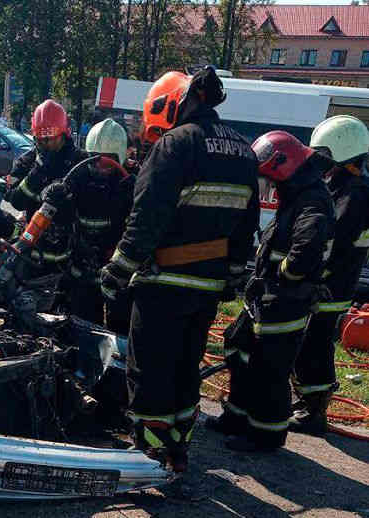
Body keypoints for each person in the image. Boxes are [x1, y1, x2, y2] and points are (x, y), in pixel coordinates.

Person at [99, 67, 259, 472]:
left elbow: (147, 217)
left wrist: (118, 271)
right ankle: (179, 449)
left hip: (163, 282)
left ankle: (150, 454)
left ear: (173, 105)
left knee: (150, 369)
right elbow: (247, 224)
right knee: (187, 368)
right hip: (206, 288)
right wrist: (233, 277)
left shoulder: (175, 144)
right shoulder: (243, 150)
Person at [209, 131, 334, 453]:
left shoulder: (312, 200)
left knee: (270, 370)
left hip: (285, 302)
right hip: (267, 299)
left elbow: (305, 252)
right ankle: (236, 417)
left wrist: (279, 276)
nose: (266, 186)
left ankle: (266, 435)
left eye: (268, 178)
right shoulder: (297, 193)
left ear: (282, 166)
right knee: (239, 348)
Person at [290, 115, 369, 436]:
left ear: (341, 151)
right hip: (335, 281)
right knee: (312, 342)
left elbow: (332, 241)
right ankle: (308, 403)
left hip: (330, 284)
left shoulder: (355, 193)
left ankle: (313, 411)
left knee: (314, 344)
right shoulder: (349, 186)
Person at [20, 118, 134, 325]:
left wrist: (134, 195)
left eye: (110, 160)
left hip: (119, 272)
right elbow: (58, 203)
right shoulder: (79, 174)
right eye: (96, 159)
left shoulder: (131, 181)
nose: (102, 166)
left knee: (121, 329)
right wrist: (52, 192)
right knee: (84, 329)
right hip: (82, 271)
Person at [6, 99, 89, 275]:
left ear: (64, 134)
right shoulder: (27, 162)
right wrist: (37, 172)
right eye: (41, 140)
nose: (46, 144)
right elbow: (16, 201)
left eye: (51, 139)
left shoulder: (80, 161)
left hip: (68, 257)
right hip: (32, 256)